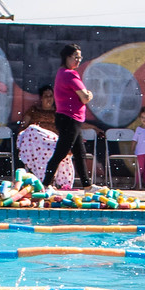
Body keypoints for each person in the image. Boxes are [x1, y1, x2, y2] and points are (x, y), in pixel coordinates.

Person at [47, 44, 93, 191]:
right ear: (67, 57)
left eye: (80, 57)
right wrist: (90, 94)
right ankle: (46, 184)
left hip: (72, 120)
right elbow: (85, 97)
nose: (78, 60)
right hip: (70, 119)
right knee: (60, 152)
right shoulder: (69, 74)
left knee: (80, 154)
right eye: (76, 57)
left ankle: (87, 185)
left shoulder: (61, 73)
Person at [17, 89, 71, 188]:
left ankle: (49, 181)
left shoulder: (58, 112)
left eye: (51, 96)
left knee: (57, 151)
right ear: (41, 98)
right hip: (37, 143)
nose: (49, 98)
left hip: (53, 142)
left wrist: (94, 128)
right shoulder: (34, 110)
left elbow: (73, 125)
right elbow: (24, 125)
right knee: (32, 128)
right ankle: (45, 181)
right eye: (46, 96)